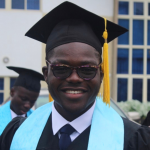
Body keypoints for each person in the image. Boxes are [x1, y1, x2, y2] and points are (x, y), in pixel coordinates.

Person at [1, 2, 150, 150]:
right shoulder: (16, 133)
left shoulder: (134, 141)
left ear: (101, 75)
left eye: (87, 70)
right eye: (61, 68)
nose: (74, 78)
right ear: (46, 74)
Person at [0, 66, 44, 135]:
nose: (27, 105)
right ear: (12, 92)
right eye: (23, 99)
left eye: (32, 101)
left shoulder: (37, 120)